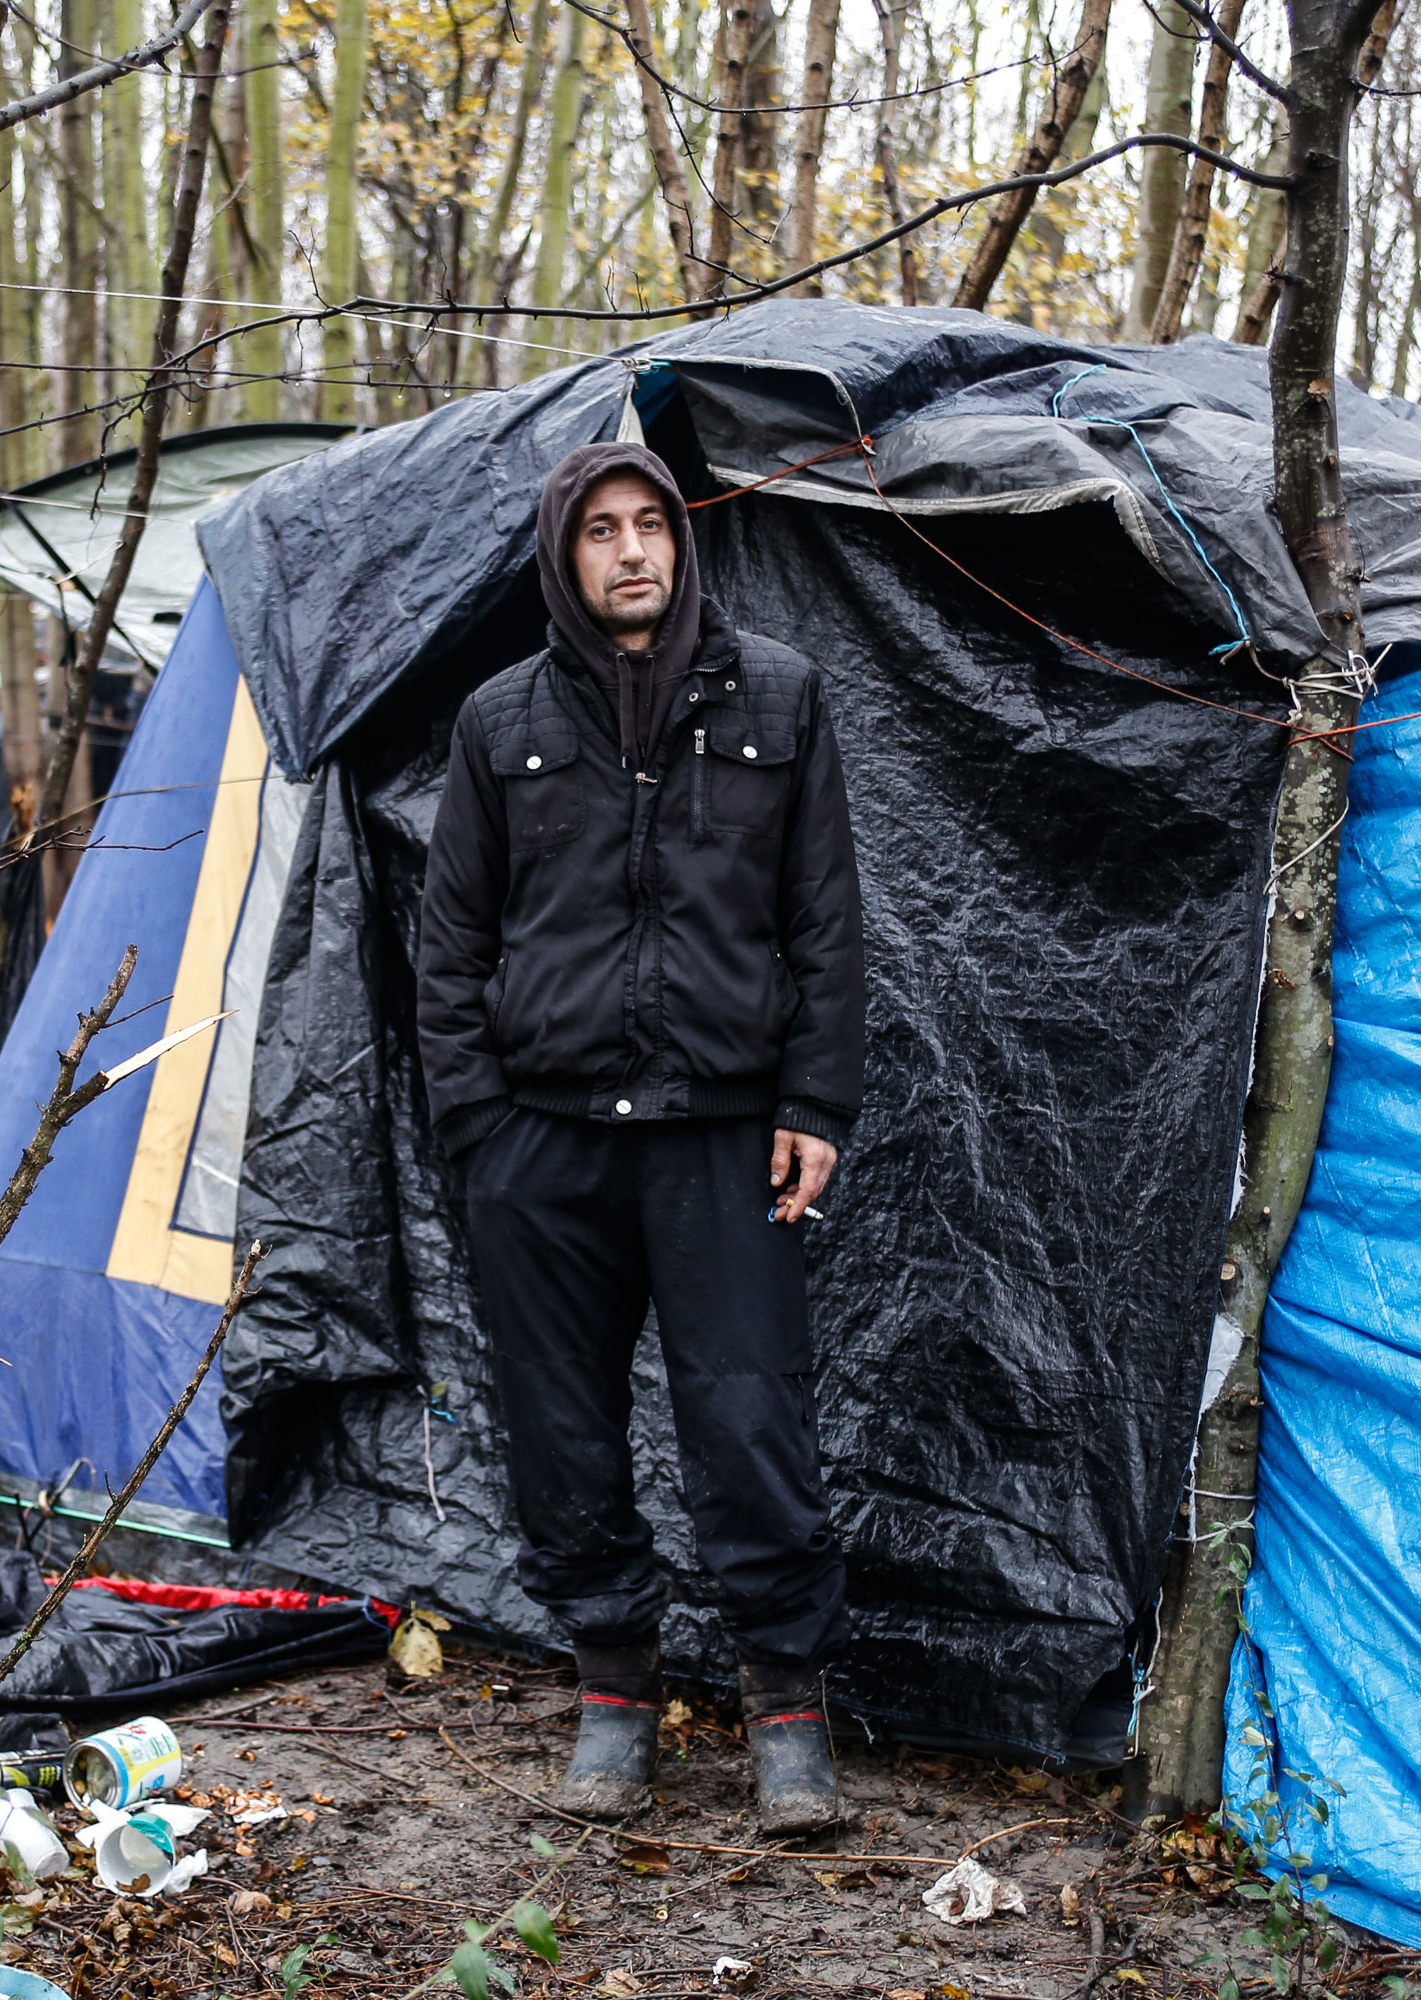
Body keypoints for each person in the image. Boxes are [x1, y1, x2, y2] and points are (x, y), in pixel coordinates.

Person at [415, 442, 865, 1834]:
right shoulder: (500, 721)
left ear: (680, 545)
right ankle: (616, 1694)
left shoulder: (780, 696)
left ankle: (787, 1711)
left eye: (649, 527)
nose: (630, 552)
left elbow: (826, 921)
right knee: (563, 1434)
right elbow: (450, 943)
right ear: (565, 556)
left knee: (750, 1422)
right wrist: (481, 1131)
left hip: (724, 1139)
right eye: (601, 531)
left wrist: (814, 1107)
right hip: (542, 1146)